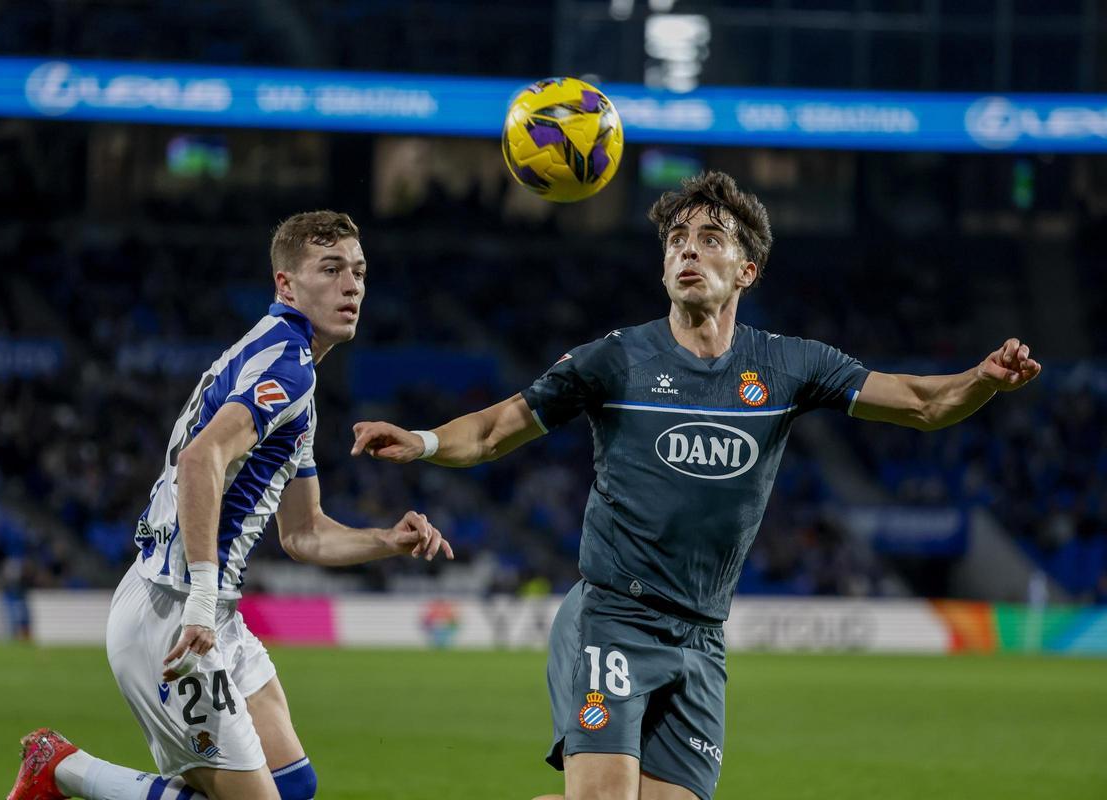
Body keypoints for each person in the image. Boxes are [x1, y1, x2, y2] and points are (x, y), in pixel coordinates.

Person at [350, 172, 1042, 800]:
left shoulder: (787, 366)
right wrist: (426, 442)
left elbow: (921, 403)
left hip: (701, 637)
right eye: (677, 238)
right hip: (614, 616)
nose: (687, 250)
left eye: (710, 239)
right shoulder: (615, 359)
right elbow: (499, 428)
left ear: (747, 269)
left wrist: (981, 379)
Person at [7, 211, 452, 800]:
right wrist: (200, 597)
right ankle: (62, 768)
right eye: (331, 269)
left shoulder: (288, 371)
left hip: (206, 613)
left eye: (359, 271)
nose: (352, 286)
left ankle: (62, 769)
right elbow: (199, 460)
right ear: (285, 285)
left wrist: (386, 540)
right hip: (175, 615)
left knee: (295, 786)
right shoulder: (285, 366)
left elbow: (305, 533)